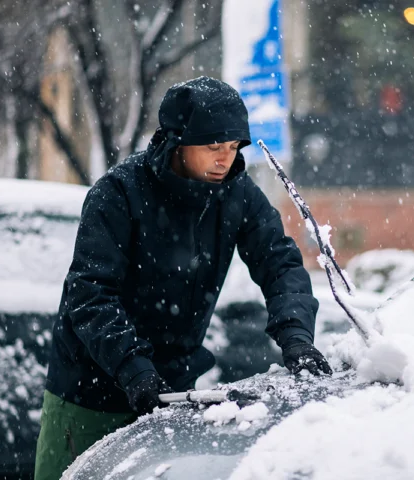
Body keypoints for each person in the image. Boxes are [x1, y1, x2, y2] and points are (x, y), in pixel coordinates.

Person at [34, 76, 331, 480]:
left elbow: (279, 262)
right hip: (91, 394)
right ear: (177, 142)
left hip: (174, 397)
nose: (224, 160)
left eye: (232, 147)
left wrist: (296, 336)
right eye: (212, 147)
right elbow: (90, 296)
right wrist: (134, 369)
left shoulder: (237, 194)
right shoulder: (118, 194)